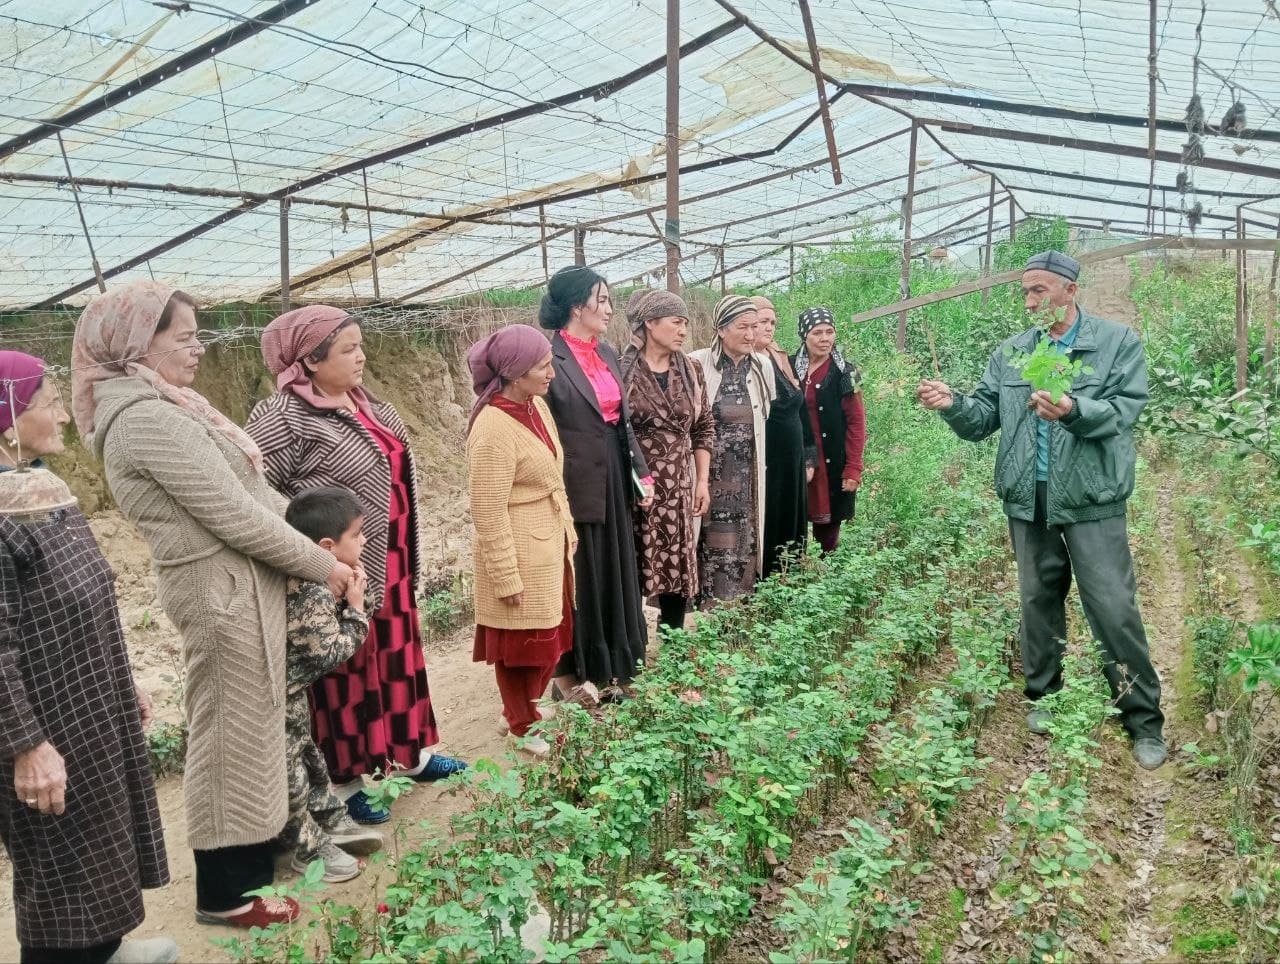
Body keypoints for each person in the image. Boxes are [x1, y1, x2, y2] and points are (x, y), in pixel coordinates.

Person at [71, 283, 353, 929]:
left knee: (251, 731)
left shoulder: (172, 406)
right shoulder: (144, 419)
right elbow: (234, 516)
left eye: (199, 335)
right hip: (220, 599)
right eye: (183, 337)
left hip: (241, 590)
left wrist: (322, 545)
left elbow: (252, 495)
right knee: (227, 738)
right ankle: (222, 896)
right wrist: (322, 563)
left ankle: (252, 870)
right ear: (138, 345)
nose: (197, 349)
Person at [916, 250, 1167, 770]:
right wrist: (953, 404)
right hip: (1028, 499)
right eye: (1026, 291)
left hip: (1092, 499)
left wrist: (1075, 410)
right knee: (1037, 599)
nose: (1031, 300)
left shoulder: (1116, 344)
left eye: (1040, 291)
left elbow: (1123, 412)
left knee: (1113, 608)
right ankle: (1044, 695)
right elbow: (984, 415)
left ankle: (1142, 719)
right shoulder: (1012, 352)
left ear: (1070, 290)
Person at [246, 306, 465, 826]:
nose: (362, 357)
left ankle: (409, 755)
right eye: (348, 348)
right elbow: (255, 496)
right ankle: (345, 781)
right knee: (345, 674)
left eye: (360, 345)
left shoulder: (369, 407)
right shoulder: (281, 418)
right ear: (309, 360)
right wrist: (315, 557)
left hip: (387, 558)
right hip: (333, 572)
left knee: (395, 658)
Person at [0, 351, 176, 964]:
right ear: (8, 421)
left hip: (87, 703)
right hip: (43, 722)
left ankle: (103, 951)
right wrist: (25, 745)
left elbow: (88, 599)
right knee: (57, 870)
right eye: (49, 403)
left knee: (98, 846)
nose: (63, 417)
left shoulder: (36, 487)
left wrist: (121, 684)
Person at [540, 266, 653, 704]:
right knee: (584, 572)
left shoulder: (605, 352)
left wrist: (640, 473)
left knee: (618, 564)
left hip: (613, 470)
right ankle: (580, 671)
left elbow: (621, 422)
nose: (608, 308)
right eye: (601, 300)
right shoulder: (550, 357)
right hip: (575, 479)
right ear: (576, 306)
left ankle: (620, 664)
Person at [466, 325, 577, 756]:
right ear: (514, 374)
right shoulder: (492, 428)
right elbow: (487, 509)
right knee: (521, 644)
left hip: (547, 541)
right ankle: (521, 725)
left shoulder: (536, 408)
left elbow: (552, 474)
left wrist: (566, 525)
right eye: (542, 366)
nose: (551, 373)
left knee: (549, 635)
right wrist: (505, 574)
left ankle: (518, 710)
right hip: (519, 546)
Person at [281, 486, 387, 883]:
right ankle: (307, 849)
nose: (365, 540)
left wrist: (360, 592)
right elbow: (329, 653)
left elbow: (369, 603)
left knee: (310, 758)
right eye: (357, 534)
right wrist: (356, 612)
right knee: (291, 774)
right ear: (328, 546)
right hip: (277, 697)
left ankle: (329, 820)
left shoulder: (325, 578)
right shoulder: (309, 589)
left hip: (292, 694)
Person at [621, 290, 714, 633]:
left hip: (679, 483)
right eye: (677, 322)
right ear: (650, 323)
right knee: (634, 556)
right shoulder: (622, 372)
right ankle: (632, 641)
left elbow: (704, 426)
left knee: (677, 558)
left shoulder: (690, 370)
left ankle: (671, 633)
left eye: (686, 324)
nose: (683, 331)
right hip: (635, 483)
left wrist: (701, 480)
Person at [688, 296, 776, 602]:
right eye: (743, 327)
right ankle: (709, 607)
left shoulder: (763, 366)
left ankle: (739, 610)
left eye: (755, 326)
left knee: (743, 542)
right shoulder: (697, 363)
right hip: (709, 476)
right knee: (711, 542)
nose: (752, 334)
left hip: (746, 477)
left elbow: (766, 420)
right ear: (722, 329)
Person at [794, 307, 866, 554]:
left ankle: (826, 571)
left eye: (830, 332)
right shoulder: (790, 367)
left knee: (829, 523)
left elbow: (857, 422)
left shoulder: (848, 371)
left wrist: (853, 467)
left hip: (832, 460)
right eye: (817, 333)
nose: (825, 338)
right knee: (793, 518)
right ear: (804, 335)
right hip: (799, 457)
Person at [753, 296, 814, 574]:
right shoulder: (748, 362)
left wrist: (808, 454)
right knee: (772, 511)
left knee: (792, 509)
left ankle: (792, 569)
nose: (769, 328)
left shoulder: (778, 357)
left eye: (772, 322)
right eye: (762, 322)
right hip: (770, 455)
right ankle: (771, 573)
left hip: (792, 453)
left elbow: (801, 406)